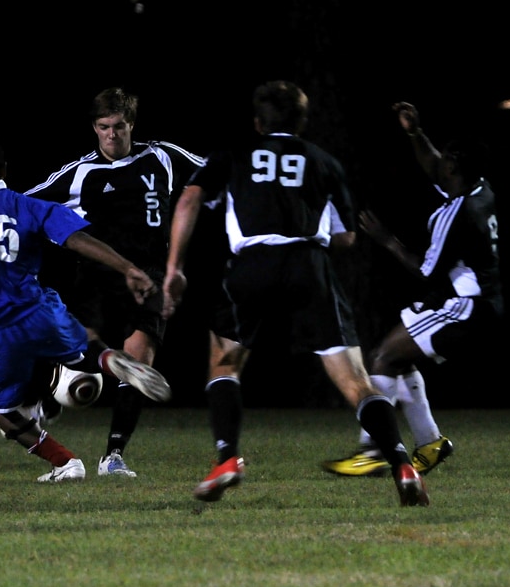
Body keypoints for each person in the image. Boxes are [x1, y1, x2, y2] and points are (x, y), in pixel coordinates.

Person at [163, 81, 427, 507]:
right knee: (355, 380)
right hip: (310, 265)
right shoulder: (324, 162)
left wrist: (174, 268)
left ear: (258, 122)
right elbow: (347, 238)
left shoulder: (234, 153)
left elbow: (189, 199)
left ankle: (227, 458)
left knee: (224, 364)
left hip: (252, 264)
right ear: (303, 122)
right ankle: (401, 463)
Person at [0, 137, 170, 482]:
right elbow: (77, 239)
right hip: (40, 313)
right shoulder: (27, 205)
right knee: (78, 339)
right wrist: (127, 268)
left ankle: (64, 462)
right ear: (4, 170)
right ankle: (106, 359)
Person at [26, 88, 201, 477]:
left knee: (139, 359)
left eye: (119, 126)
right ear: (94, 127)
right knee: (79, 346)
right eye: (104, 127)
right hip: (97, 275)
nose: (111, 134)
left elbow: (211, 174)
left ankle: (113, 456)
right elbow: (26, 203)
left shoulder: (162, 156)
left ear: (131, 125)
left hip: (151, 274)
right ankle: (55, 386)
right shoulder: (78, 173)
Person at [323, 102, 500, 478]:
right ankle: (430, 443)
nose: (439, 161)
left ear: (454, 167)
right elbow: (433, 165)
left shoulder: (456, 213)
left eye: (446, 158)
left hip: (464, 306)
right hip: (476, 301)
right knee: (400, 360)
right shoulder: (480, 190)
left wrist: (386, 240)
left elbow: (424, 272)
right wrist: (415, 133)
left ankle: (373, 449)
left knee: (383, 357)